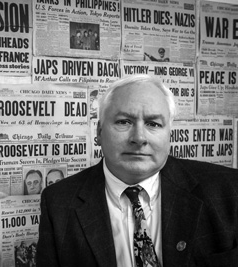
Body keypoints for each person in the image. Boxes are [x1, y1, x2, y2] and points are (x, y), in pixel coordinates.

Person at [37, 74, 238, 267]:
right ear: (99, 132)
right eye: (124, 122)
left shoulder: (228, 191)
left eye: (153, 124)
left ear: (169, 134)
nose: (139, 138)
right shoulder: (58, 204)